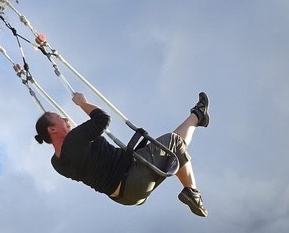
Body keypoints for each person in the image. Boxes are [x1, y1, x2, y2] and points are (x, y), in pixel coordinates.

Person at [34, 91, 211, 216]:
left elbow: (85, 153)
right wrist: (82, 103)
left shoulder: (57, 163)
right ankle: (192, 192)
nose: (65, 119)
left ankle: (197, 115)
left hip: (125, 196)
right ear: (52, 129)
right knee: (174, 142)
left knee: (171, 148)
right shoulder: (74, 140)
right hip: (131, 177)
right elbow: (102, 119)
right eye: (61, 118)